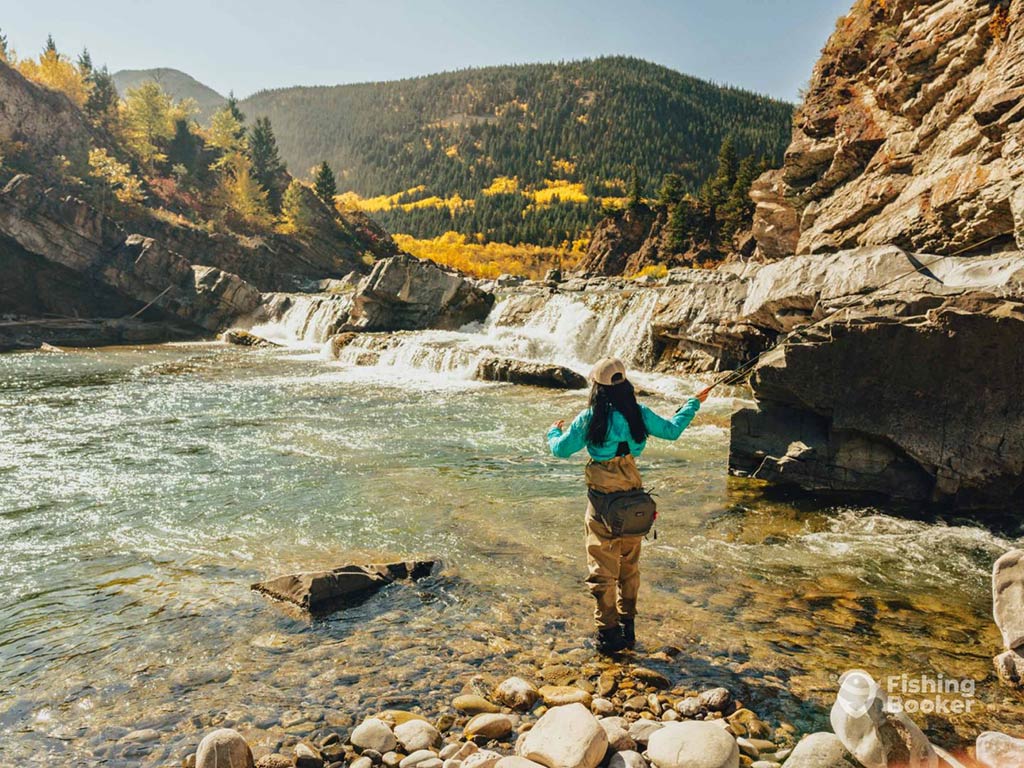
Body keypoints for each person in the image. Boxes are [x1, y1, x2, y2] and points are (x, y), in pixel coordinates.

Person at [546, 357, 709, 654]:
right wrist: (692, 404)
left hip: (601, 501)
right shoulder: (639, 413)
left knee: (600, 568)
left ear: (597, 387)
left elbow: (560, 450)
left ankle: (608, 635)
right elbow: (673, 430)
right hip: (633, 496)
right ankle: (628, 627)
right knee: (629, 567)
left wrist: (553, 432)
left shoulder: (590, 418)